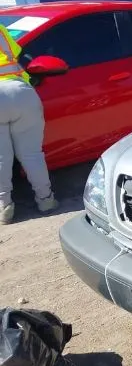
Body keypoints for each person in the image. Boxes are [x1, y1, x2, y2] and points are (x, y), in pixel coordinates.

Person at [0, 23, 57, 224]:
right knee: (32, 154)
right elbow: (21, 55)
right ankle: (45, 200)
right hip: (19, 90)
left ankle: (4, 208)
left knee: (1, 158)